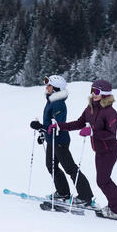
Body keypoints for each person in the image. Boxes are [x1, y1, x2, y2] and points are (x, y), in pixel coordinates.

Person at [58, 78, 117, 219]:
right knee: (103, 180)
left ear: (104, 94)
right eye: (92, 90)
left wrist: (92, 132)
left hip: (109, 151)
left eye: (96, 91)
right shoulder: (90, 108)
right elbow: (79, 123)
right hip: (99, 151)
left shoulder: (110, 112)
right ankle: (115, 208)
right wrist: (59, 126)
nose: (93, 94)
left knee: (103, 181)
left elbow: (111, 134)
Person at [29, 74, 94, 206]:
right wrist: (43, 132)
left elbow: (57, 125)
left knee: (70, 168)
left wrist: (42, 127)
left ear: (56, 88)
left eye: (49, 85)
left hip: (59, 141)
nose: (46, 87)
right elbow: (50, 125)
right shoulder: (51, 101)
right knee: (51, 166)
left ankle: (85, 196)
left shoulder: (58, 104)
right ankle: (63, 192)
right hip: (52, 140)